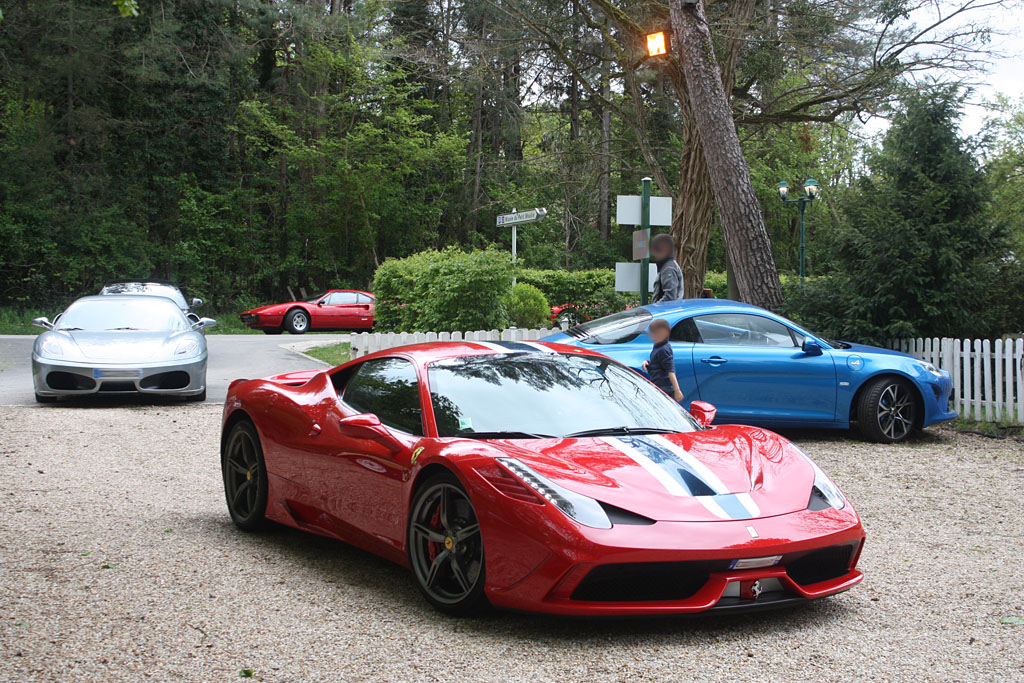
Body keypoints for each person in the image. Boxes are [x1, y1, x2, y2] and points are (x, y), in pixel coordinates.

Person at [641, 318, 684, 403]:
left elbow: (670, 371)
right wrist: (648, 363)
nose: (651, 336)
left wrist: (677, 391)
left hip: (664, 387)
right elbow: (658, 363)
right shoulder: (658, 346)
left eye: (653, 334)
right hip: (658, 384)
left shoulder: (664, 349)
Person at [650, 232, 683, 303]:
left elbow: (670, 297)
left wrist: (655, 307)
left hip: (665, 312)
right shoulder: (669, 265)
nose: (653, 253)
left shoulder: (668, 268)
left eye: (657, 250)